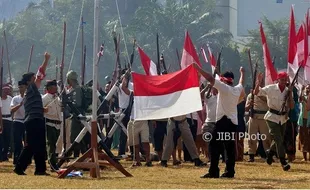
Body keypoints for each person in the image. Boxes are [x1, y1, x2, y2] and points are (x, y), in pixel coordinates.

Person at [195, 63, 245, 178]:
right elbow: (241, 82)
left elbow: (210, 78)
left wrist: (198, 68)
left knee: (214, 146)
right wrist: (242, 73)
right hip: (232, 123)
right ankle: (230, 172)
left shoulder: (224, 88)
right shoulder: (237, 89)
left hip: (222, 122)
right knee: (230, 148)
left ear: (224, 80)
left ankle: (214, 171)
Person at [14, 52, 50, 175]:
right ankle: (21, 168)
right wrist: (46, 59)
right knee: (33, 145)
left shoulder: (29, 91)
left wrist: (41, 109)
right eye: (34, 77)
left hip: (34, 119)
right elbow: (41, 72)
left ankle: (38, 170)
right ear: (30, 81)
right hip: (34, 120)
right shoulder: (32, 88)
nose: (37, 78)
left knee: (37, 145)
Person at [253, 72, 294, 171]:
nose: (284, 82)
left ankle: (270, 153)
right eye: (282, 79)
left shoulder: (288, 91)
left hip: (283, 118)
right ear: (278, 80)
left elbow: (291, 106)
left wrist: (290, 95)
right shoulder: (271, 88)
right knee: (279, 140)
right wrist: (258, 82)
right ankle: (283, 162)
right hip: (272, 117)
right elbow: (257, 92)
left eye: (285, 80)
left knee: (278, 139)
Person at [245, 83, 270, 162]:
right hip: (253, 117)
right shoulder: (250, 96)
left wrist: (258, 94)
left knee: (266, 137)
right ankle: (251, 155)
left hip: (263, 117)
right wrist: (250, 104)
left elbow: (269, 103)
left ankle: (268, 155)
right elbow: (246, 108)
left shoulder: (266, 94)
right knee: (252, 137)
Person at [66, 70, 88, 158]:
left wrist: (69, 103)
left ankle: (78, 157)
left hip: (77, 116)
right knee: (77, 137)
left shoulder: (77, 89)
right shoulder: (74, 89)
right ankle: (81, 156)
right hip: (76, 115)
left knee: (76, 137)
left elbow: (77, 104)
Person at [42, 80, 62, 171]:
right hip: (49, 123)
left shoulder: (58, 98)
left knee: (56, 144)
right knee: (51, 144)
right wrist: (43, 109)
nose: (56, 87)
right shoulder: (45, 98)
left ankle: (53, 161)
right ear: (49, 87)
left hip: (58, 123)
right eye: (54, 86)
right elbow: (39, 108)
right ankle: (52, 164)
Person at [10, 80, 27, 165]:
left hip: (26, 121)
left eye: (22, 87)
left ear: (26, 87)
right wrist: (19, 105)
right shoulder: (15, 99)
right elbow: (12, 110)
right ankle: (16, 159)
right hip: (17, 121)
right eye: (19, 87)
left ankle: (26, 159)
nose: (21, 89)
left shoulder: (28, 98)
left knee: (27, 142)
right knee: (17, 142)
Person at [0, 84, 13, 161]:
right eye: (5, 90)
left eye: (8, 90)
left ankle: (5, 155)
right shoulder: (0, 99)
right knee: (1, 139)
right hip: (2, 119)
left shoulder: (10, 99)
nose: (6, 91)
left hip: (8, 119)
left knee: (7, 138)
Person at [298, 85, 310, 161]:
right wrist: (301, 90)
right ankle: (304, 157)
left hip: (309, 121)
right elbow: (299, 100)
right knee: (302, 138)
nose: (307, 90)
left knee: (309, 138)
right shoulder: (304, 97)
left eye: (309, 88)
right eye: (307, 88)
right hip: (303, 121)